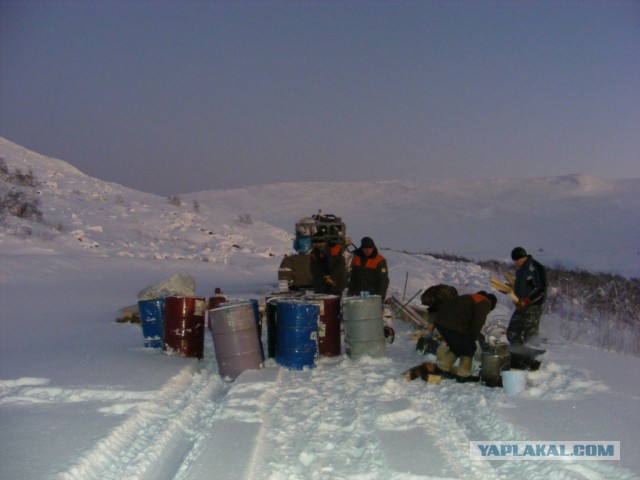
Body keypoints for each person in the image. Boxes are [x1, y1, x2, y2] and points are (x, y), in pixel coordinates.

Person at [432, 291, 497, 382]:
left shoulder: (473, 297)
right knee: (469, 348)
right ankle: (463, 375)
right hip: (453, 325)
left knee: (456, 347)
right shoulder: (485, 302)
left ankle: (441, 368)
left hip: (441, 321)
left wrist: (475, 335)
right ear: (491, 304)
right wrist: (476, 339)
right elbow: (477, 323)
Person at [506, 246, 547, 369]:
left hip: (533, 306)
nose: (515, 264)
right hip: (521, 305)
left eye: (516, 261)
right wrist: (510, 289)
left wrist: (527, 300)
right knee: (513, 332)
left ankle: (533, 363)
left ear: (521, 258)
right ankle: (519, 357)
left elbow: (541, 289)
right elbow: (524, 287)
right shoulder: (521, 270)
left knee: (530, 335)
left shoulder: (535, 268)